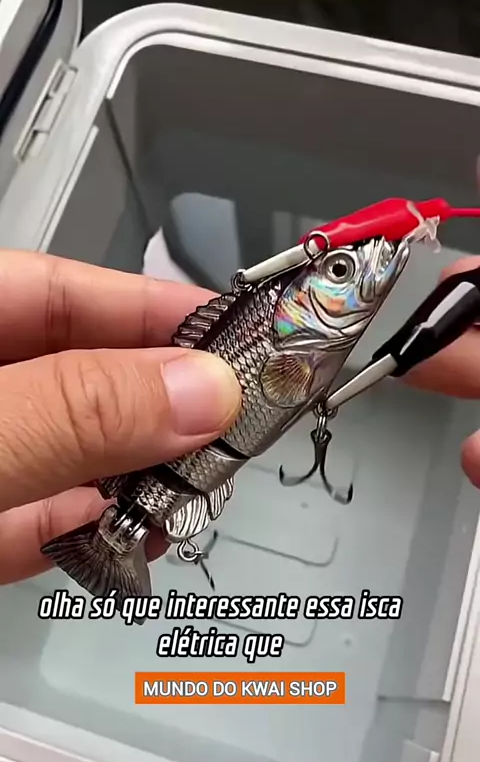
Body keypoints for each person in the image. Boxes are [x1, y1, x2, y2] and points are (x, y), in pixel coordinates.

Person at [0, 249, 478, 586]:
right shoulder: (299, 342)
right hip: (194, 460)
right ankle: (114, 543)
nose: (361, 273)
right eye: (340, 270)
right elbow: (284, 387)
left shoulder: (312, 341)